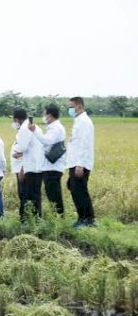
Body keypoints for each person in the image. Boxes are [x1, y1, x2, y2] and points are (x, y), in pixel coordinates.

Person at [29, 104, 67, 215]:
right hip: (50, 166)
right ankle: (58, 217)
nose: (43, 117)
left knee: (54, 196)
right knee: (52, 195)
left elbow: (47, 141)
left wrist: (35, 131)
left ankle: (59, 218)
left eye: (44, 114)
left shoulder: (55, 127)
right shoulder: (54, 127)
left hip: (53, 167)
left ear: (49, 115)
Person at [66, 97, 95, 227]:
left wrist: (80, 164)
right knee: (74, 189)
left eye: (71, 106)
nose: (70, 109)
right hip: (74, 162)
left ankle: (88, 219)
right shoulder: (78, 121)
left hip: (80, 164)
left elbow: (85, 144)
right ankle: (81, 218)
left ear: (79, 106)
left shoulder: (84, 122)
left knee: (80, 191)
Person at [12, 108, 44, 220]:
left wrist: (22, 169)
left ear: (17, 119)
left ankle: (26, 220)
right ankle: (37, 219)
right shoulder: (35, 127)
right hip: (37, 166)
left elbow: (23, 148)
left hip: (31, 167)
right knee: (35, 196)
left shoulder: (24, 129)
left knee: (27, 195)